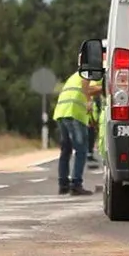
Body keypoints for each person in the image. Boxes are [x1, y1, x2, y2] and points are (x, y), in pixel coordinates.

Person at [51, 65, 102, 196]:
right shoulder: (94, 73)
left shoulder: (75, 75)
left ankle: (63, 185)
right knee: (81, 149)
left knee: (66, 149)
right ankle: (76, 184)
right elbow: (87, 84)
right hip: (75, 113)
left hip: (62, 112)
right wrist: (103, 90)